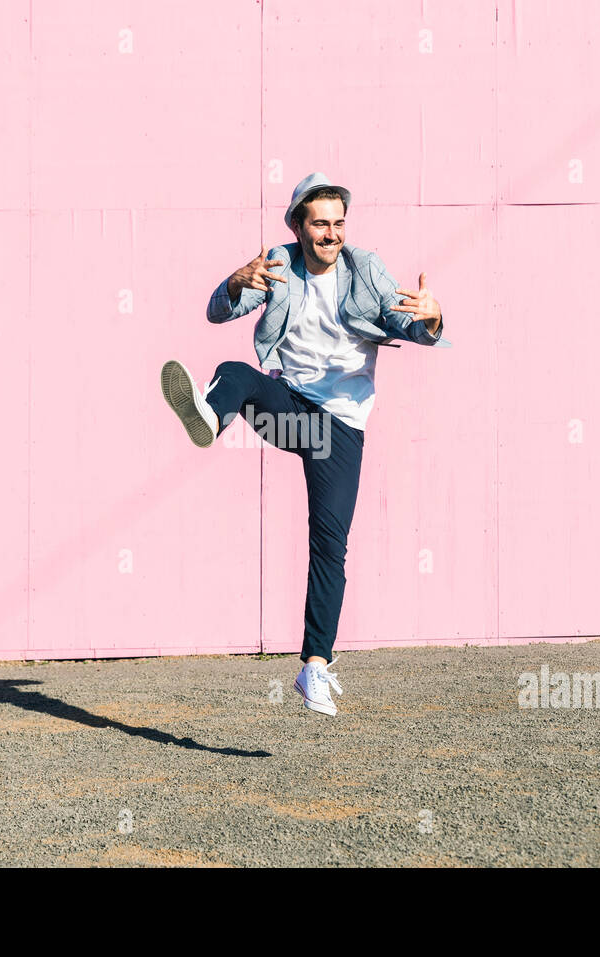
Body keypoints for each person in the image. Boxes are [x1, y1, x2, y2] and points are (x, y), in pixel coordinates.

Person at [160, 172, 452, 716]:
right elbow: (218, 313)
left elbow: (401, 317)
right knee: (236, 372)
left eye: (339, 224)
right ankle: (207, 416)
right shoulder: (279, 262)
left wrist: (430, 322)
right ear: (298, 226)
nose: (332, 234)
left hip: (338, 427)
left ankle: (314, 667)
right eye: (320, 224)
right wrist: (232, 283)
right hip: (293, 411)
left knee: (329, 543)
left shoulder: (365, 267)